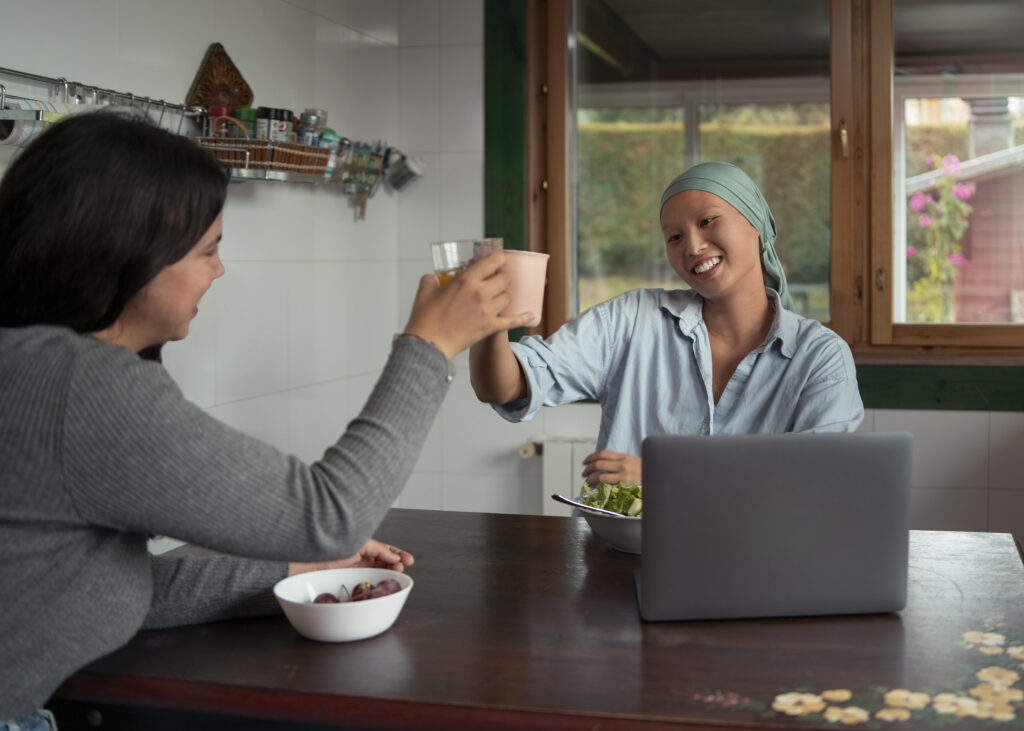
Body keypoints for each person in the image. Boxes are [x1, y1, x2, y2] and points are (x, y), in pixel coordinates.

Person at [0, 109, 533, 729]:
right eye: (208, 250)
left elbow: (101, 587)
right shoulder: (81, 387)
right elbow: (331, 515)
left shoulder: (31, 366)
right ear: (127, 255)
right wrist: (430, 343)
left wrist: (293, 570)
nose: (218, 271)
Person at [470, 161, 864, 488]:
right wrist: (492, 324)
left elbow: (818, 483)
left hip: (763, 565)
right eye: (674, 237)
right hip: (623, 562)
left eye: (708, 221)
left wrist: (662, 476)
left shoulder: (820, 357)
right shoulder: (631, 320)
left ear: (756, 224)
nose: (692, 247)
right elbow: (504, 386)